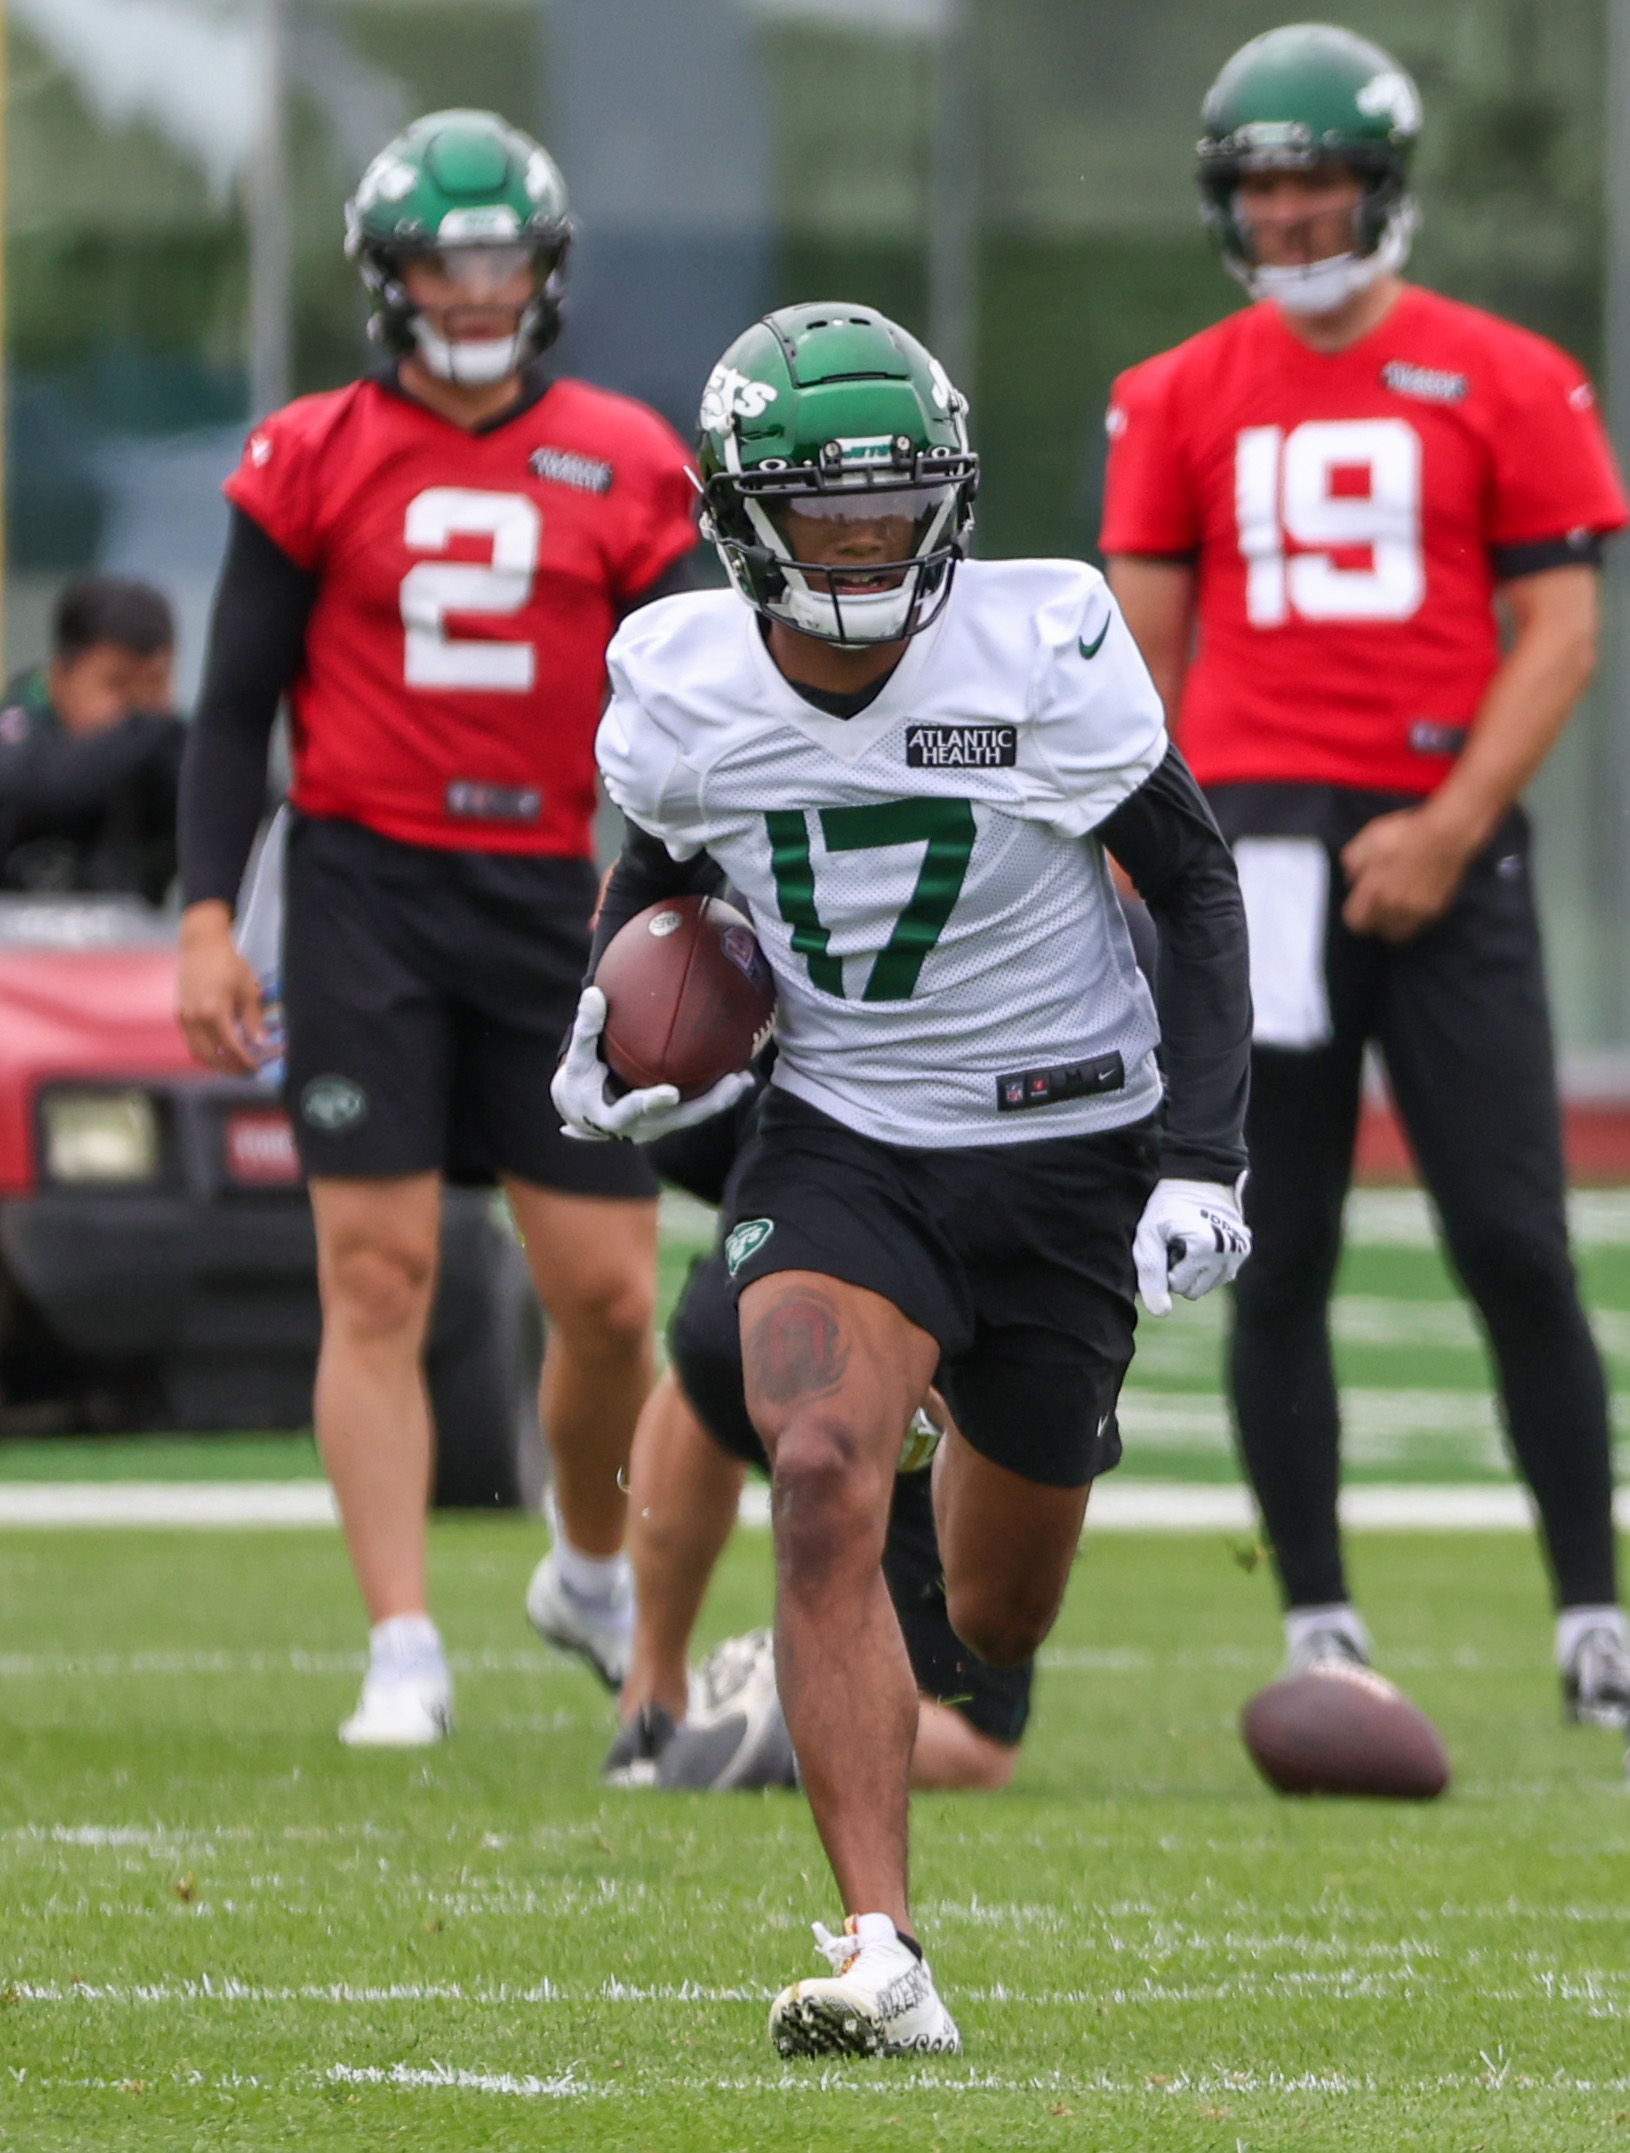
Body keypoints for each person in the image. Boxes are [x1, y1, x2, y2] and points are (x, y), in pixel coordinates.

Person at [553, 301, 1253, 2057]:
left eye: (891, 509)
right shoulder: (683, 676)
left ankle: (950, 1423)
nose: (864, 546)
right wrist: (616, 1015)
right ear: (743, 521)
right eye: (827, 515)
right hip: (849, 1128)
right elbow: (662, 871)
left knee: (999, 1610)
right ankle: (884, 1946)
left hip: (1067, 1135)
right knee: (811, 1464)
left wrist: (1198, 1154)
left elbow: (1200, 879)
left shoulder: (1042, 639)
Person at [1100, 23, 1630, 1726]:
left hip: (1440, 832)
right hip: (1250, 843)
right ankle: (1318, 1607)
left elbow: (1561, 627)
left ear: (1380, 184)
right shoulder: (1177, 390)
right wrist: (1142, 870)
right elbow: (1138, 659)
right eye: (1263, 187)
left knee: (1513, 1236)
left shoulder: (1507, 370)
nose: (1291, 214)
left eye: (1316, 180)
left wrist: (1453, 822)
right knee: (1281, 1232)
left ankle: (1592, 1610)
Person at [175, 110, 699, 1748]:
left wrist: (698, 900)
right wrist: (205, 918)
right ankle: (401, 1634)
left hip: (557, 892)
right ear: (388, 277)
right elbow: (230, 706)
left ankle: (584, 1566)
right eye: (442, 261)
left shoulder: (624, 454)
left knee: (609, 1292)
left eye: (500, 260)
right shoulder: (312, 452)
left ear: (543, 272)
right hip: (363, 890)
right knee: (381, 1271)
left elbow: (697, 711)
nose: (474, 291)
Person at [607, 1092, 1033, 1797]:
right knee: (978, 1741)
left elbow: (685, 1142)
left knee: (718, 1350)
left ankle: (651, 1699)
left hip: (794, 1225)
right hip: (948, 1319)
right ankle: (779, 1718)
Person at [0, 576, 184, 904]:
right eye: (117, 684)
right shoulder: (18, 737)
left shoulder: (166, 755)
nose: (138, 710)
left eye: (155, 683)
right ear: (60, 679)